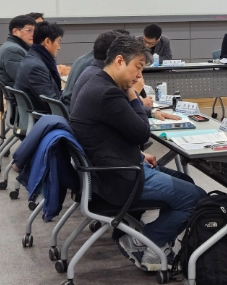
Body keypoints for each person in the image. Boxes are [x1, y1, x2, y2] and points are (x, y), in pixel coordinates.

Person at [70, 36, 206, 271]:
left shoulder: (98, 83)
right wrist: (133, 94)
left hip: (110, 168)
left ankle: (156, 246)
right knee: (196, 197)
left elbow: (108, 136)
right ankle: (144, 241)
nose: (139, 76)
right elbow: (142, 133)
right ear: (119, 61)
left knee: (185, 181)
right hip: (118, 177)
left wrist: (139, 155)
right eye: (138, 68)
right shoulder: (107, 93)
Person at [14, 22, 64, 114]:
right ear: (47, 41)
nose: (59, 47)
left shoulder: (32, 57)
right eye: (58, 42)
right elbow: (52, 104)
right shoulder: (36, 67)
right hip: (42, 117)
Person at [0, 15, 36, 87]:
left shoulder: (18, 47)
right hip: (22, 93)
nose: (33, 34)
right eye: (29, 30)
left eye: (34, 31)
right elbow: (24, 78)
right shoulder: (11, 50)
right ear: (15, 31)